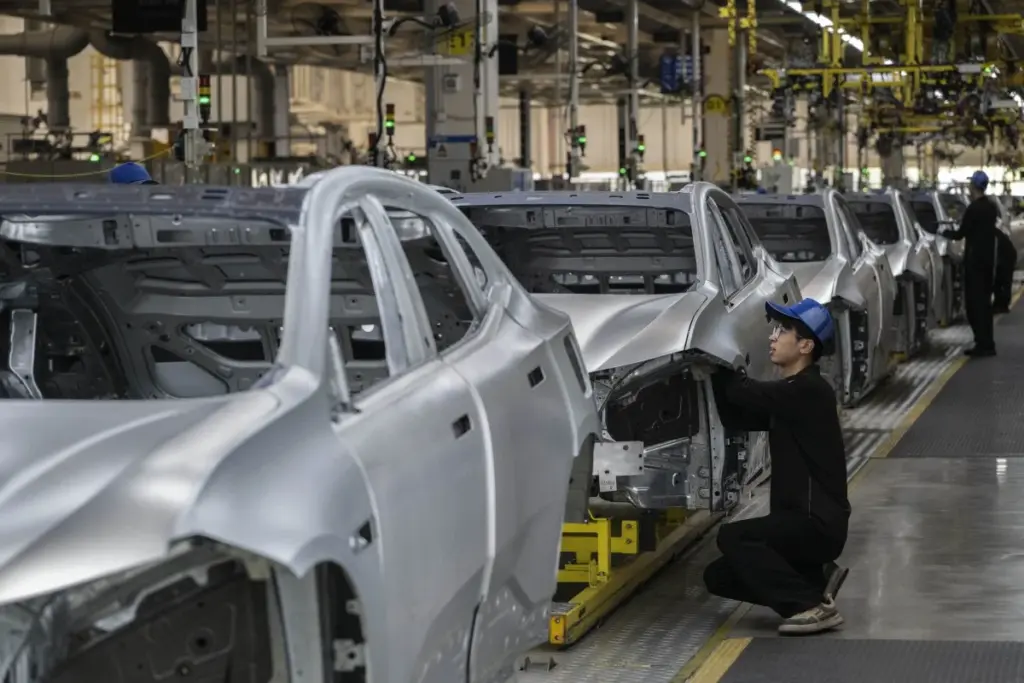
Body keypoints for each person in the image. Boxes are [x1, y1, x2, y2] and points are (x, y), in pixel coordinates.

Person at [704, 298, 851, 636]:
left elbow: (743, 392)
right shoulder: (791, 396)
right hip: (798, 524)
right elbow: (736, 412)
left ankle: (808, 607)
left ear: (805, 345)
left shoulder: (810, 390)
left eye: (783, 330)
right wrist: (715, 376)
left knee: (733, 536)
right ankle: (816, 581)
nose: (773, 336)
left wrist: (717, 356)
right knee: (718, 576)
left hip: (816, 525)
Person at [940, 171, 999, 356]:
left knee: (974, 305)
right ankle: (988, 342)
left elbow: (961, 233)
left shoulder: (974, 209)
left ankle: (982, 344)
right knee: (985, 304)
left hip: (974, 263)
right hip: (988, 261)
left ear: (973, 186)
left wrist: (944, 232)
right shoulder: (990, 207)